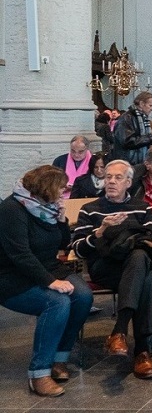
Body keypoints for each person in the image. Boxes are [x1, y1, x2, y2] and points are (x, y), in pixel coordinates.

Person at [1, 166, 94, 397]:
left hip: (46, 267)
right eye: (62, 187)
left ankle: (59, 359)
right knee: (57, 302)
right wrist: (51, 282)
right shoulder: (13, 209)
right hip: (12, 276)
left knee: (83, 296)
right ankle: (39, 373)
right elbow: (19, 254)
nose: (65, 191)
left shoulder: (47, 208)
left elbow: (62, 243)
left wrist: (62, 220)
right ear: (47, 188)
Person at [71, 159, 152, 379]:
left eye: (118, 177)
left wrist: (129, 235)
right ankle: (141, 350)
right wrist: (101, 232)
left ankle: (121, 332)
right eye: (108, 177)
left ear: (129, 182)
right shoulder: (90, 209)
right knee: (144, 271)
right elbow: (78, 248)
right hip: (105, 268)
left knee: (142, 264)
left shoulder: (142, 207)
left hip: (133, 266)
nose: (111, 181)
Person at [109, 91, 152, 167]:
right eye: (150, 105)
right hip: (128, 163)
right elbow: (127, 141)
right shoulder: (126, 118)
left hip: (139, 162)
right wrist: (151, 137)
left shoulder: (142, 118)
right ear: (142, 104)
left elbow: (141, 139)